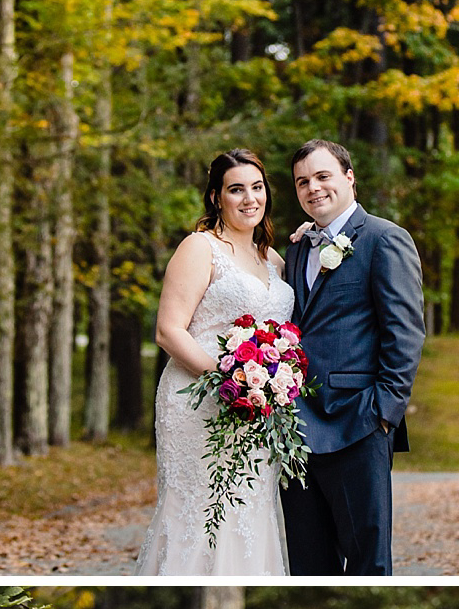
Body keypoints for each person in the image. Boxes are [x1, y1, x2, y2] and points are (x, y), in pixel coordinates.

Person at [141, 145, 301, 578]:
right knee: (197, 510)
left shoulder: (274, 260)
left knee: (248, 511)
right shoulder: (200, 247)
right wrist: (229, 379)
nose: (250, 198)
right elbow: (169, 330)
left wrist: (265, 387)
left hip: (258, 411)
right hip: (198, 401)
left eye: (257, 187)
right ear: (216, 197)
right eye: (236, 190)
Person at [286, 135, 426, 577]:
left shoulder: (385, 239)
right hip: (295, 430)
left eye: (323, 176)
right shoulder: (297, 248)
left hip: (357, 422)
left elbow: (405, 333)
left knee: (368, 562)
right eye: (302, 181)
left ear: (349, 178)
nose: (313, 188)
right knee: (309, 564)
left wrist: (384, 412)